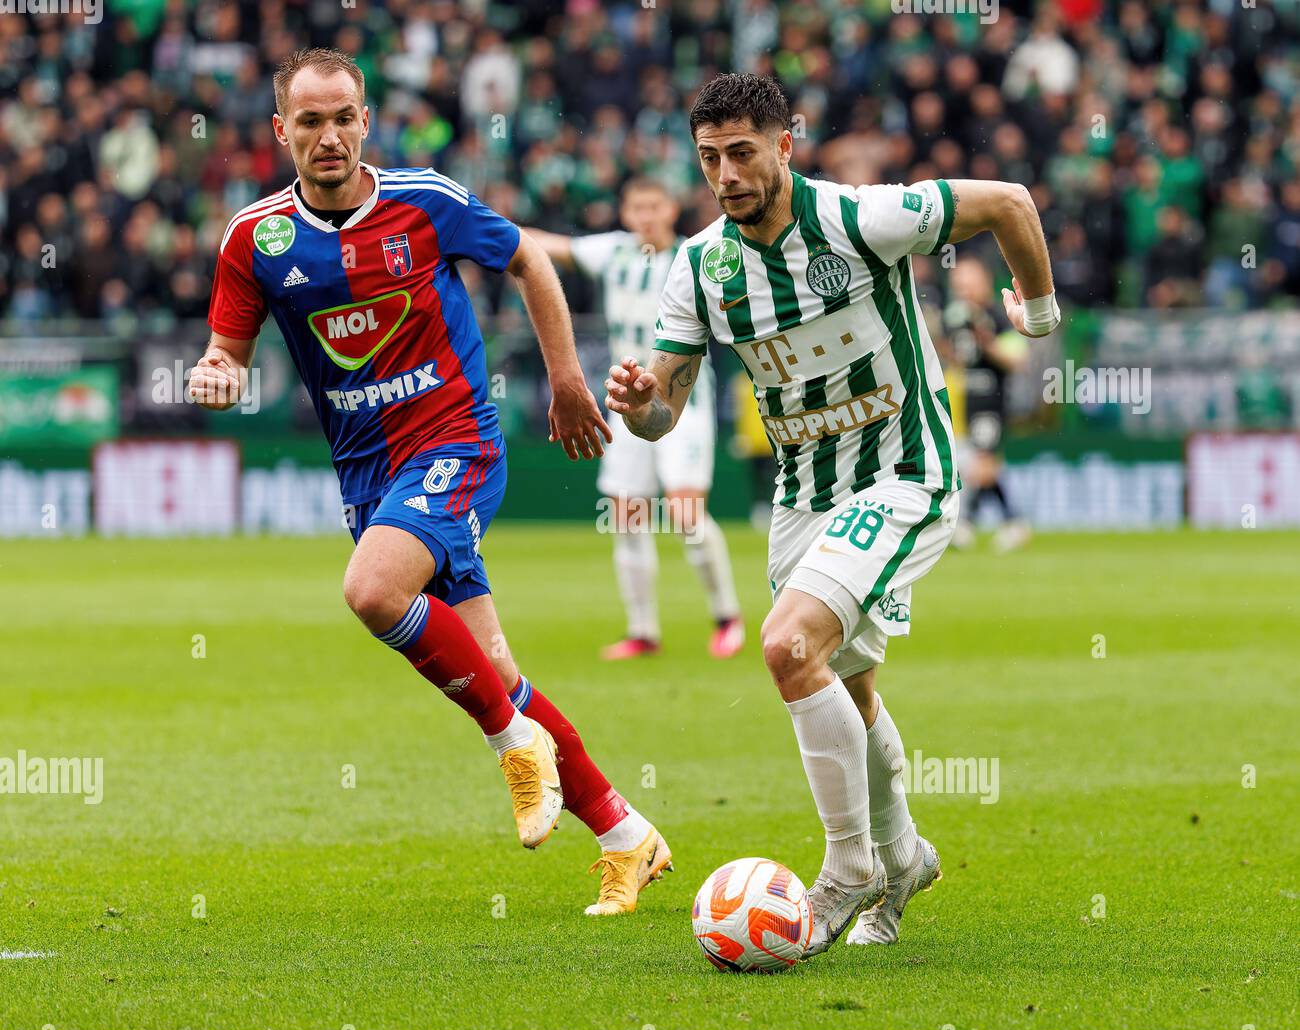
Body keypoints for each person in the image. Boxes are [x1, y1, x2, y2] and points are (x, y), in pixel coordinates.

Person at [188, 48, 671, 916]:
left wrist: (565, 378)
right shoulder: (254, 238)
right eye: (310, 121)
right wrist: (218, 372)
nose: (329, 136)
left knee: (373, 592)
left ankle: (510, 746)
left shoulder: (426, 201)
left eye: (343, 117)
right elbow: (227, 348)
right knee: (496, 670)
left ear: (366, 121)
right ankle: (625, 834)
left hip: (456, 437)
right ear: (280, 131)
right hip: (368, 471)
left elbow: (530, 261)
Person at [606, 73, 1058, 955]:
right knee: (848, 690)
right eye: (709, 158)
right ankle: (906, 857)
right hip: (804, 499)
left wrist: (1036, 316)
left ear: (785, 144)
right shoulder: (700, 265)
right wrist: (636, 406)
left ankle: (847, 869)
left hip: (906, 475)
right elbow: (663, 412)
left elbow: (1008, 200)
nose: (726, 174)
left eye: (742, 152)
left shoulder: (859, 219)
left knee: (785, 646)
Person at [524, 179, 744, 660]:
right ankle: (643, 630)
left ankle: (727, 617)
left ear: (671, 209)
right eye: (637, 206)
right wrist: (483, 225)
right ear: (625, 212)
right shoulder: (614, 253)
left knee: (686, 512)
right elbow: (548, 246)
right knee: (626, 514)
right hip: (624, 403)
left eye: (654, 205)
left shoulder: (693, 258)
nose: (646, 214)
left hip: (682, 405)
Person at [944, 257, 1031, 551]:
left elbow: (1017, 359)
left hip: (991, 401)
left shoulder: (998, 315)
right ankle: (1011, 522)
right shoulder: (955, 318)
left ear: (984, 283)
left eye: (969, 285)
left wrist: (986, 341)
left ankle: (969, 522)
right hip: (963, 402)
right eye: (959, 286)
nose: (964, 292)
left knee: (982, 463)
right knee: (979, 464)